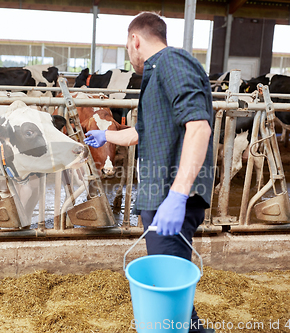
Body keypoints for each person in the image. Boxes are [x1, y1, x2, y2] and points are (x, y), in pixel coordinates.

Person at [84, 12, 214, 333]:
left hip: (171, 196)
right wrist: (106, 136)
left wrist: (178, 195)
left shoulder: (171, 62)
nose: (129, 55)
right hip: (159, 195)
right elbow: (140, 132)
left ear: (135, 40)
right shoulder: (157, 75)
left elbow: (199, 126)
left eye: (127, 48)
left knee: (170, 293)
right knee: (173, 289)